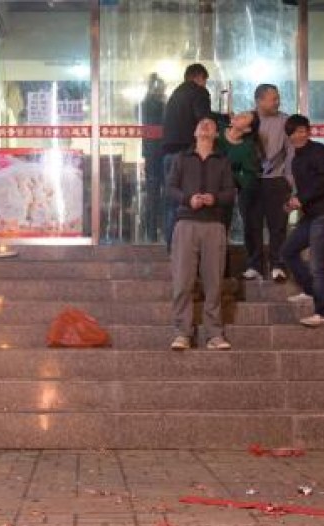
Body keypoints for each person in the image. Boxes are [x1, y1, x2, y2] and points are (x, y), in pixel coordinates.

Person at [167, 116, 235, 351]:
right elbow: (170, 188)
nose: (205, 126)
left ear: (216, 134)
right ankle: (182, 333)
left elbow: (230, 193)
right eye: (201, 124)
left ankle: (214, 334)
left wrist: (214, 198)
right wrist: (188, 199)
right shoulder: (181, 159)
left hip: (214, 225)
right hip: (186, 223)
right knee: (182, 281)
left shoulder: (223, 161)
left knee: (214, 283)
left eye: (211, 125)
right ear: (195, 132)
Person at [280, 115, 324, 328]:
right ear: (289, 136)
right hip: (311, 215)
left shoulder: (319, 151)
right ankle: (309, 290)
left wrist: (302, 198)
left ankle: (323, 312)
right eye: (297, 131)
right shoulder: (296, 159)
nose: (303, 134)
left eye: (305, 129)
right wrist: (293, 202)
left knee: (318, 263)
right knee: (288, 251)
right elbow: (304, 189)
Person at [161, 63, 213, 253]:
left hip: (167, 155)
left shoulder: (174, 95)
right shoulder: (198, 92)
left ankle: (171, 247)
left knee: (172, 202)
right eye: (205, 80)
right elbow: (204, 120)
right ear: (199, 77)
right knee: (188, 203)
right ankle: (185, 249)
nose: (205, 84)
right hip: (186, 154)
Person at [245, 84, 293, 283]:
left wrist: (290, 181)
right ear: (259, 101)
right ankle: (254, 265)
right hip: (251, 181)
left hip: (277, 181)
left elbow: (291, 153)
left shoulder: (285, 121)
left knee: (278, 226)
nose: (277, 102)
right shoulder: (246, 119)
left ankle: (278, 265)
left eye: (278, 98)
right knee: (252, 225)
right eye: (273, 98)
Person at [217, 110, 263, 247]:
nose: (237, 116)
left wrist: (233, 178)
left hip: (226, 191)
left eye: (243, 117)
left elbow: (250, 175)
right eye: (239, 114)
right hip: (206, 185)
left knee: (224, 227)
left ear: (248, 129)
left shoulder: (247, 147)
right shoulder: (218, 130)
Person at [138, 73, 167, 243]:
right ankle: (161, 231)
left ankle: (151, 233)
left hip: (150, 154)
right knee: (164, 194)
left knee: (152, 195)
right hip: (161, 153)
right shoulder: (160, 105)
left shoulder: (143, 105)